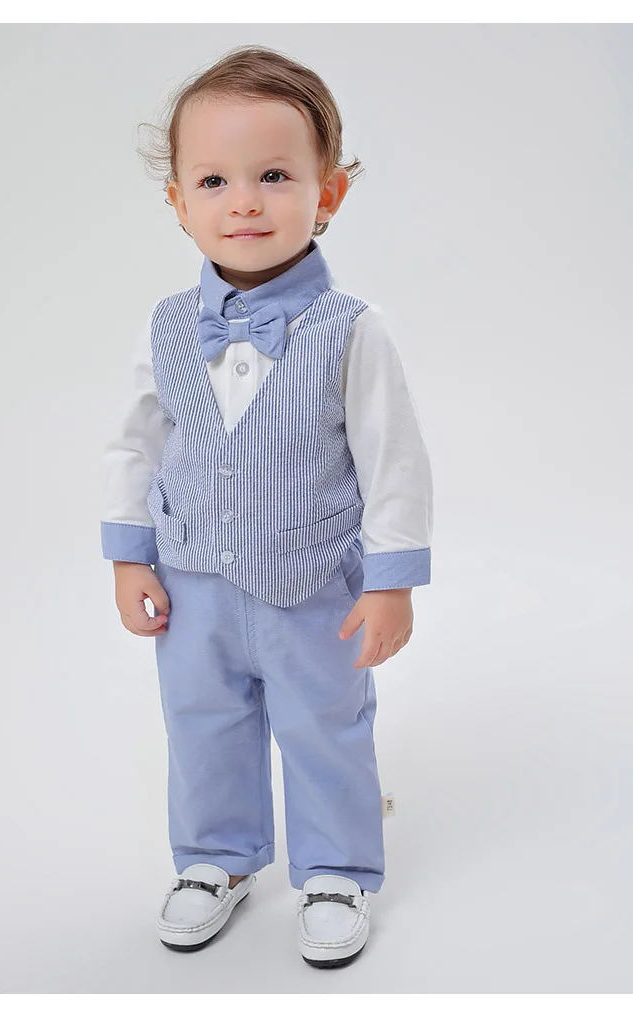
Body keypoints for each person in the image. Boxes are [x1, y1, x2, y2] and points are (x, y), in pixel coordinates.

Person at [100, 45, 434, 969]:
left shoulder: (352, 329)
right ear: (179, 202)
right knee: (202, 724)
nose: (244, 201)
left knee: (325, 724)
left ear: (329, 193)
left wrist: (393, 580)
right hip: (192, 585)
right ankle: (216, 858)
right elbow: (136, 443)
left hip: (312, 586)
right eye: (214, 180)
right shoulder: (168, 325)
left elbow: (394, 459)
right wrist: (129, 556)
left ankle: (335, 870)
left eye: (275, 176)